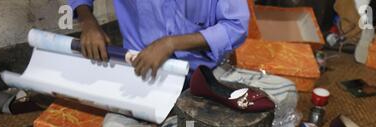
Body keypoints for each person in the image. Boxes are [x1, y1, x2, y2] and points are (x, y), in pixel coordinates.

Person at [68, 0, 250, 80]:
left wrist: (171, 44)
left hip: (205, 70)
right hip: (142, 68)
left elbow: (236, 26)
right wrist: (87, 21)